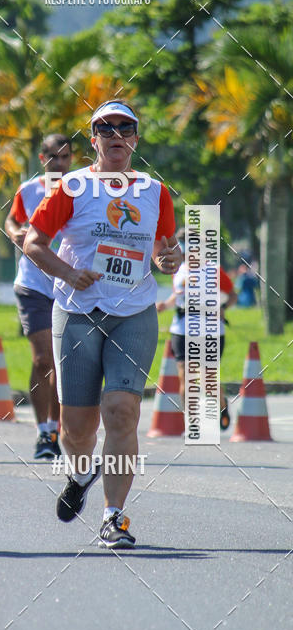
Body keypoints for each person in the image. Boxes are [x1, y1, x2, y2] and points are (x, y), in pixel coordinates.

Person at [24, 100, 181, 549]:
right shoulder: (72, 187)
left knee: (121, 411)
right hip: (76, 313)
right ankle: (79, 472)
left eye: (124, 127)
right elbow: (33, 243)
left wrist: (171, 258)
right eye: (104, 128)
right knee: (76, 427)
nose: (115, 135)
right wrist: (69, 273)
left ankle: (115, 516)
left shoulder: (153, 190)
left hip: (133, 313)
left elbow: (164, 251)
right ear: (93, 140)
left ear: (135, 137)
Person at [5, 134, 73, 460]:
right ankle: (42, 431)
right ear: (42, 158)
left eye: (65, 157)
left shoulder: (81, 190)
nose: (59, 164)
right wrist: (14, 232)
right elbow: (12, 220)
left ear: (72, 159)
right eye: (52, 158)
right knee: (43, 358)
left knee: (61, 363)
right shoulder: (29, 190)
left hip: (69, 285)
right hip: (33, 284)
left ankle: (56, 431)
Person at [157, 228, 238, 430]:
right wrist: (165, 305)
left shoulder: (214, 270)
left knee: (208, 378)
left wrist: (223, 307)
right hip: (182, 328)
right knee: (186, 375)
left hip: (210, 329)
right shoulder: (179, 270)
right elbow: (178, 295)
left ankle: (222, 405)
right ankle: (192, 421)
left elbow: (232, 295)